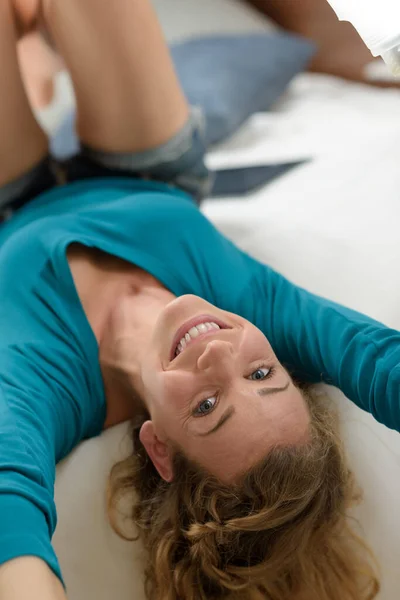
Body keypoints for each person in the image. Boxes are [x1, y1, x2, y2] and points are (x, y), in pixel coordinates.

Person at [1, 1, 398, 599]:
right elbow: (375, 358)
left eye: (209, 407)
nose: (219, 356)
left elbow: (13, 526)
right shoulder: (253, 307)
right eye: (263, 373)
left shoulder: (40, 386)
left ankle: (28, 42)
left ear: (159, 447)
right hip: (143, 171)